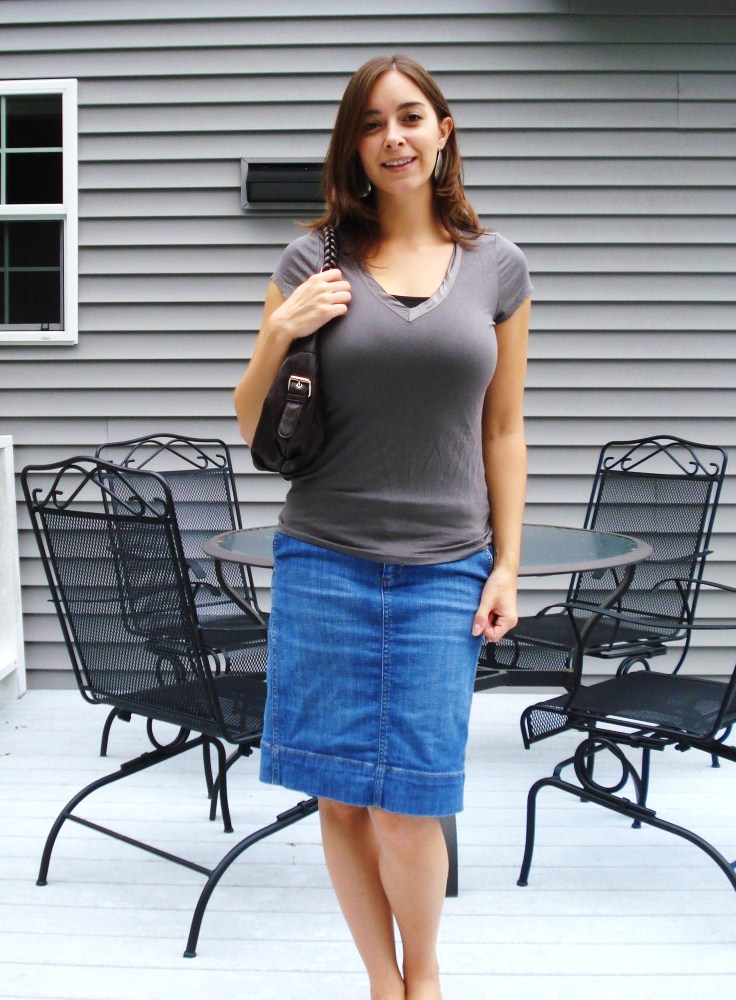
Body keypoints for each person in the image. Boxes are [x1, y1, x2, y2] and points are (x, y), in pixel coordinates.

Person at [234, 54, 532, 1000]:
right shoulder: (310, 263)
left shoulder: (497, 267)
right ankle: (381, 982)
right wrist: (282, 331)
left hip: (447, 567)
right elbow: (250, 421)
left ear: (442, 131)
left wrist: (507, 567)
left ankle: (423, 977)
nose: (392, 138)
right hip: (324, 559)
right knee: (340, 795)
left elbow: (504, 429)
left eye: (409, 117)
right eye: (370, 124)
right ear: (353, 148)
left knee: (412, 799)